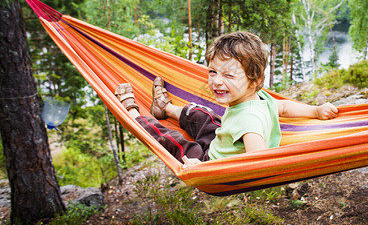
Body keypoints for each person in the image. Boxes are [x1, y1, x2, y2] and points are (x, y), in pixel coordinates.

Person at [115, 31, 338, 166]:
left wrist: (202, 169)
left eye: (229, 75)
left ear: (254, 79)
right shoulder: (259, 97)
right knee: (204, 115)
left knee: (172, 139)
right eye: (213, 72)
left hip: (209, 161)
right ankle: (166, 108)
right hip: (222, 141)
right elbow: (284, 107)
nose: (216, 82)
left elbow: (257, 161)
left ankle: (134, 114)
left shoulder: (248, 123)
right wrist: (315, 111)